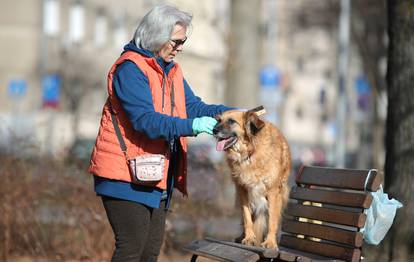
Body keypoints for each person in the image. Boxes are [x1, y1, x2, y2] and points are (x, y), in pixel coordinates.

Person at [88, 4, 234, 262]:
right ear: (157, 35)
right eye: (176, 41)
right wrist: (193, 126)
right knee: (132, 250)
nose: (181, 48)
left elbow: (193, 107)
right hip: (123, 175)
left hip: (153, 174)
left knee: (149, 252)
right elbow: (146, 122)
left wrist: (232, 114)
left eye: (183, 41)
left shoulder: (172, 71)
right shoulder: (130, 69)